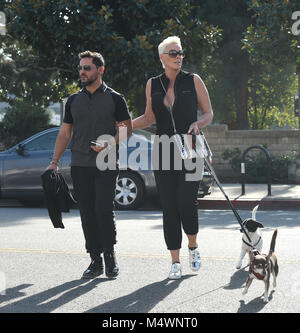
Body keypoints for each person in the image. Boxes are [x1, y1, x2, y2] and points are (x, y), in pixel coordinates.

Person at [132, 36, 213, 279]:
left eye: (180, 53)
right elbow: (148, 118)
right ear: (162, 58)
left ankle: (193, 247)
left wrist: (198, 123)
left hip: (190, 146)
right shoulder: (152, 84)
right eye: (173, 53)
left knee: (186, 203)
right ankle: (175, 262)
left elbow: (209, 113)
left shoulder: (193, 80)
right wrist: (123, 127)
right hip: (164, 149)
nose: (178, 56)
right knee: (168, 207)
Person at [47, 51, 132, 279]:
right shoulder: (73, 100)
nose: (82, 72)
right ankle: (95, 259)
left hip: (106, 163)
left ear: (100, 70)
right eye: (80, 68)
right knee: (86, 212)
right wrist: (54, 162)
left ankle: (110, 255)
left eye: (87, 68)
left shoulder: (116, 98)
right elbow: (65, 133)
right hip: (80, 163)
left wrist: (110, 142)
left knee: (103, 209)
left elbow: (126, 128)